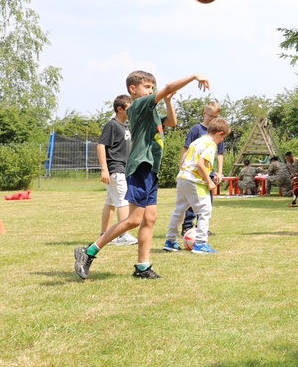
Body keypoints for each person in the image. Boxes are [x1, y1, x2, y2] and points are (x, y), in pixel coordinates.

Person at [74, 71, 210, 280]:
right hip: (140, 166)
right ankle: (89, 251)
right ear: (133, 89)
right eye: (147, 87)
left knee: (150, 218)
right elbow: (169, 87)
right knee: (134, 219)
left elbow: (171, 122)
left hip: (150, 168)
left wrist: (167, 101)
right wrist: (193, 77)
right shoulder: (138, 105)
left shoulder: (152, 112)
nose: (151, 90)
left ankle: (143, 266)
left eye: (152, 88)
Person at [163, 117, 231, 254]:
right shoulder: (211, 145)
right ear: (220, 134)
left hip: (183, 178)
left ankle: (170, 241)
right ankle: (200, 243)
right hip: (195, 181)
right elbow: (200, 164)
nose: (222, 141)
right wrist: (209, 181)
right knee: (205, 210)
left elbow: (184, 159)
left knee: (179, 210)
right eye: (223, 138)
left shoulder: (197, 141)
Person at [96, 94, 137, 246]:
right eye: (129, 109)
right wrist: (104, 170)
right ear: (120, 109)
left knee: (110, 202)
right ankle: (122, 235)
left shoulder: (125, 126)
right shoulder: (112, 125)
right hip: (115, 168)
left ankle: (104, 234)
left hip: (123, 169)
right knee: (123, 201)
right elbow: (101, 146)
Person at [180, 101, 226, 234]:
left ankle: (202, 227)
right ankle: (187, 226)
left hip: (208, 172)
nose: (213, 119)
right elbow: (186, 148)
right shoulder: (196, 129)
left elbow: (220, 153)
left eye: (216, 117)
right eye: (210, 116)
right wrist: (181, 165)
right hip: (194, 172)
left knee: (207, 201)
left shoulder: (218, 132)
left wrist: (220, 172)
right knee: (192, 200)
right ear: (204, 114)